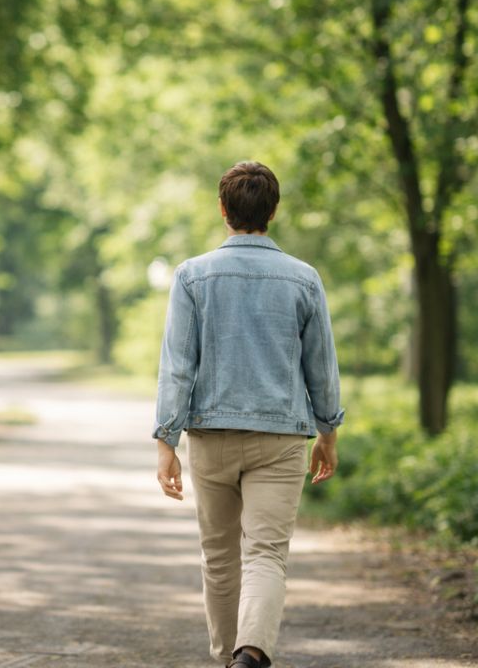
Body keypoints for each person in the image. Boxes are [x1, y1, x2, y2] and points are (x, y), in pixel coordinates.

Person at [152, 161, 344, 668]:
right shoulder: (304, 278)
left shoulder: (192, 276)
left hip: (211, 437)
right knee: (266, 554)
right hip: (280, 439)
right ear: (273, 212)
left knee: (219, 556)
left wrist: (166, 440)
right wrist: (328, 431)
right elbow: (321, 365)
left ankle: (227, 658)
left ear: (223, 210)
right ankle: (250, 654)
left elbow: (177, 366)